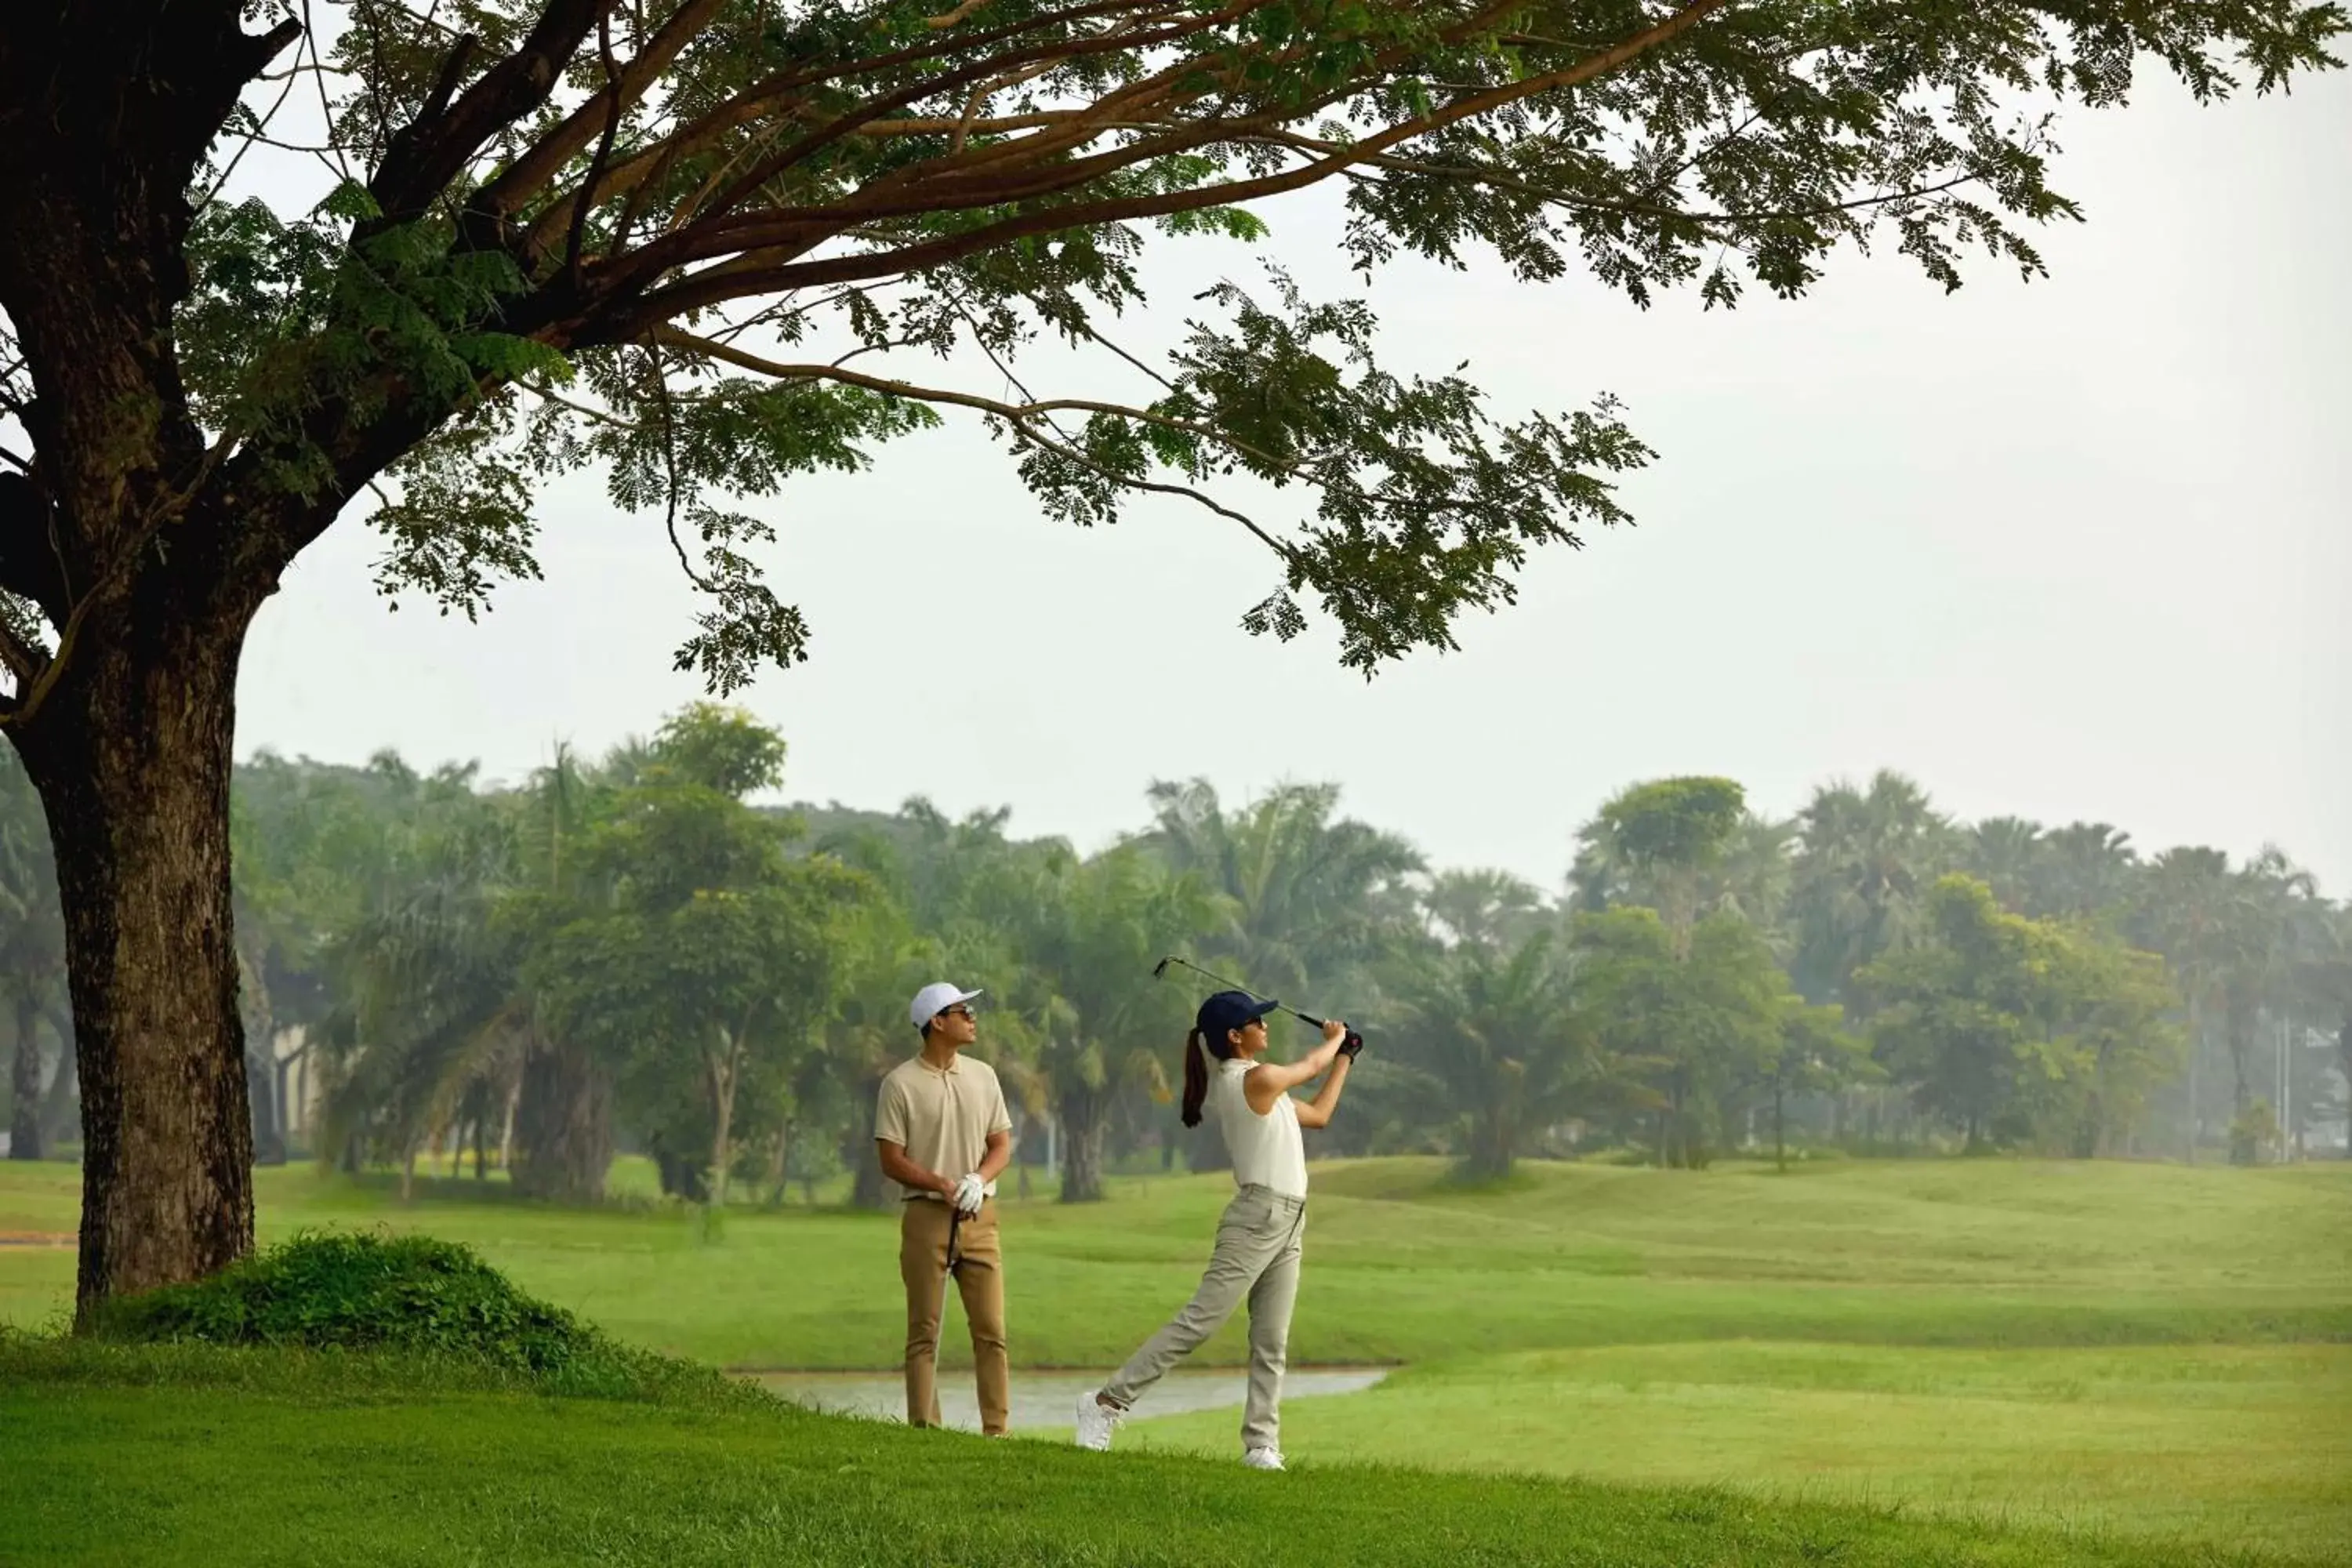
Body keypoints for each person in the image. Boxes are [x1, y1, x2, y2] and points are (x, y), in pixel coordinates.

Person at [1073, 989, 1357, 1471]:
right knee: (1199, 1321)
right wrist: (1335, 1040)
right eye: (1257, 1022)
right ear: (1235, 1036)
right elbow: (1310, 1066)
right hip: (1258, 1217)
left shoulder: (1266, 1087)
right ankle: (1106, 1402)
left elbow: (1321, 1114)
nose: (1265, 1027)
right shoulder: (1255, 1079)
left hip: (1289, 1220)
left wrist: (1345, 1058)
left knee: (1272, 1338)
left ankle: (1261, 1445)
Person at [875, 982, 1014, 1436]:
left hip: (980, 1216)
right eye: (963, 1010)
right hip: (926, 1217)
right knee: (924, 1332)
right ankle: (924, 1428)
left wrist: (979, 1178)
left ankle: (997, 1431)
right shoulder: (900, 1084)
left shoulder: (983, 1075)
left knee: (992, 1330)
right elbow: (891, 1159)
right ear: (937, 1021)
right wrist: (941, 1183)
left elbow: (1000, 1144)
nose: (972, 1017)